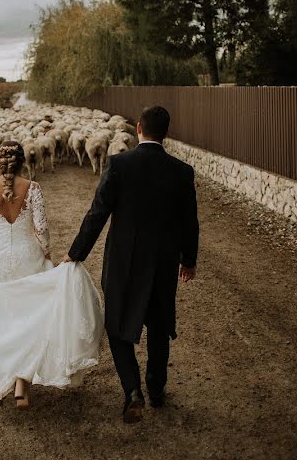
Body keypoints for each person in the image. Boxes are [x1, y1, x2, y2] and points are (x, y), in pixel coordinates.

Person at [63, 105, 199, 423]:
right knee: (159, 326)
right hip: (162, 264)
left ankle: (132, 391)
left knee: (117, 326)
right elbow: (190, 223)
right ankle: (156, 390)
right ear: (166, 133)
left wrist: (76, 252)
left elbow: (98, 213)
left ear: (138, 128)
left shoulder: (119, 164)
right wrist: (188, 260)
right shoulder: (181, 171)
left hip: (124, 262)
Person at [0, 141, 103, 409]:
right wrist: (46, 252)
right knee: (30, 318)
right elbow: (42, 227)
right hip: (28, 257)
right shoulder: (33, 188)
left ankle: (8, 375)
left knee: (1, 319)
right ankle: (22, 383)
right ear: (23, 161)